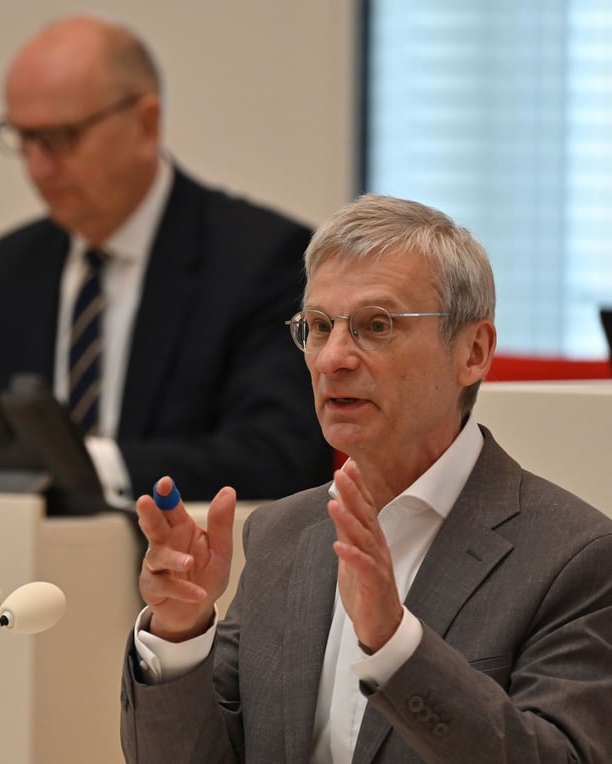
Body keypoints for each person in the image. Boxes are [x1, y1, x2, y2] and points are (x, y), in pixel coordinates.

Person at [120, 195, 612, 762]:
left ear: (473, 352)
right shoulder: (283, 533)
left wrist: (396, 645)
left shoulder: (575, 558)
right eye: (319, 326)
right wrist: (179, 633)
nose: (333, 358)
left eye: (376, 326)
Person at [0, 14, 332, 503]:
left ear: (146, 124)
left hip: (176, 563)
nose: (37, 166)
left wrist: (84, 464)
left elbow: (278, 454)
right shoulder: (4, 270)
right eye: (23, 138)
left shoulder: (259, 259)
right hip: (15, 562)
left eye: (61, 138)